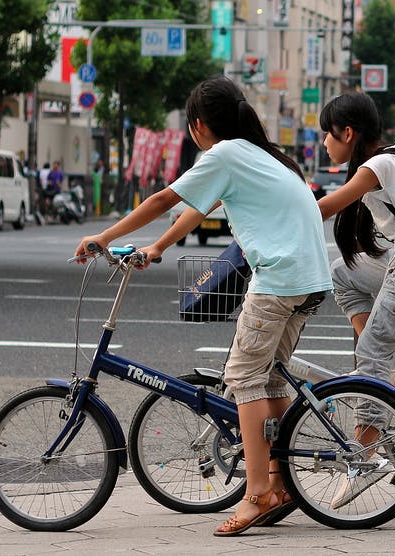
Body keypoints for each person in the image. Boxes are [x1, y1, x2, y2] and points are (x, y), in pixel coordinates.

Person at [73, 77, 333, 536]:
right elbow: (198, 206)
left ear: (197, 126)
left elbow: (163, 199)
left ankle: (256, 496)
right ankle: (279, 483)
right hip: (309, 280)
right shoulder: (262, 155)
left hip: (278, 280)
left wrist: (103, 237)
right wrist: (157, 246)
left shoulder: (226, 154)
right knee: (270, 377)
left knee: (244, 379)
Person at [315, 92, 395, 508]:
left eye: (327, 135)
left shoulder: (378, 165)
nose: (324, 143)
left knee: (372, 350)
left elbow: (325, 207)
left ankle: (364, 458)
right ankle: (380, 382)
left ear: (348, 133)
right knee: (342, 274)